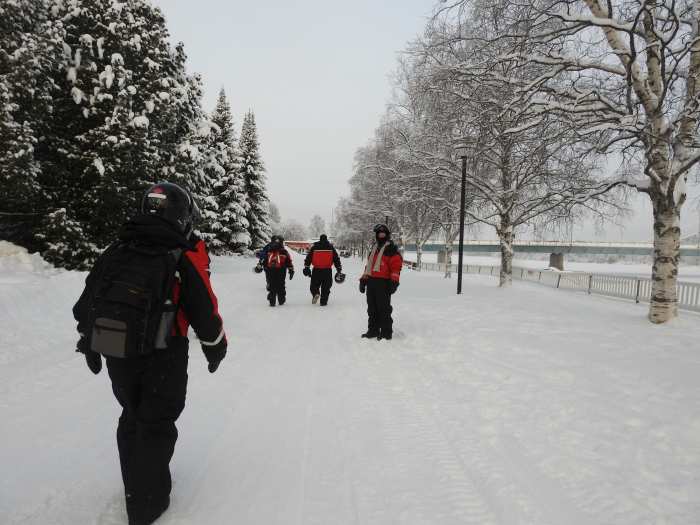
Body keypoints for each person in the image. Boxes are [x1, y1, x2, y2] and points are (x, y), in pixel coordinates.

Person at [73, 182, 227, 525]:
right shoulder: (180, 253)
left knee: (131, 413)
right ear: (182, 215)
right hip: (164, 350)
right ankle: (147, 504)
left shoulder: (118, 248)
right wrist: (216, 346)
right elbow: (204, 308)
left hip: (115, 346)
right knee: (156, 421)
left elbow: (89, 297)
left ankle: (136, 484)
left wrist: (87, 338)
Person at [359, 224, 402, 340]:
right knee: (372, 309)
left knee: (383, 309)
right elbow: (368, 267)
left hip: (383, 283)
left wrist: (394, 282)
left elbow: (396, 268)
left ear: (387, 235)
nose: (381, 235)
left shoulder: (391, 250)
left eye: (383, 234)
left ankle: (386, 332)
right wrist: (363, 280)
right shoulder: (374, 249)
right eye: (379, 234)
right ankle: (373, 330)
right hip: (371, 282)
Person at [303, 234, 344, 306]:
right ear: (326, 239)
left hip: (316, 270)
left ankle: (316, 293)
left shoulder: (314, 247)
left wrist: (307, 267)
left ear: (320, 239)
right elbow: (336, 259)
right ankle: (323, 302)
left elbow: (309, 257)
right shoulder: (331, 247)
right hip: (327, 271)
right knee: (326, 287)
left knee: (314, 285)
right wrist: (339, 269)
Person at [262, 236, 294, 306]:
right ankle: (281, 300)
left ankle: (272, 301)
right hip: (281, 270)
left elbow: (265, 260)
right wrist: (291, 270)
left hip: (271, 269)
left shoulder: (270, 249)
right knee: (281, 284)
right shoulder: (284, 251)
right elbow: (288, 261)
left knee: (272, 284)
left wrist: (265, 267)